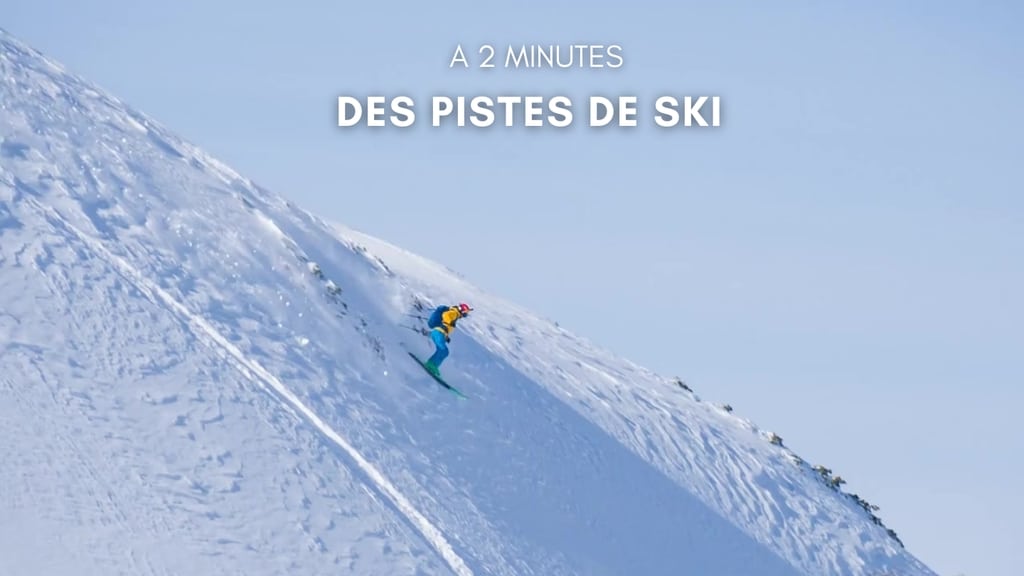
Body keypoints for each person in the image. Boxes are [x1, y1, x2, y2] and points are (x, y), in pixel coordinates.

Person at [423, 303, 473, 376]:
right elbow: (446, 315)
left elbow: (446, 325)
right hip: (438, 333)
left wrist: (446, 336)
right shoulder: (454, 313)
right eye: (465, 313)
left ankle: (432, 365)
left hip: (440, 333)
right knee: (444, 351)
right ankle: (431, 365)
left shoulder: (455, 314)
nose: (465, 315)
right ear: (461, 311)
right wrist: (448, 322)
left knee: (443, 351)